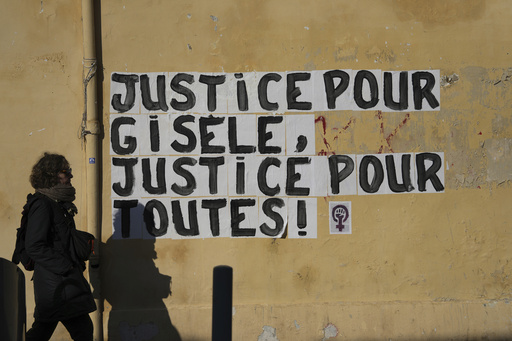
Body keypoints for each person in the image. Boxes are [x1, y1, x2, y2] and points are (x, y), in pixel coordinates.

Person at [24, 152, 96, 341]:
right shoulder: (43, 204)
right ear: (52, 175)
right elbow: (34, 245)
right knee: (82, 330)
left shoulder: (57, 204)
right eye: (66, 171)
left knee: (43, 331)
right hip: (57, 282)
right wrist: (65, 266)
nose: (70, 176)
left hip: (58, 282)